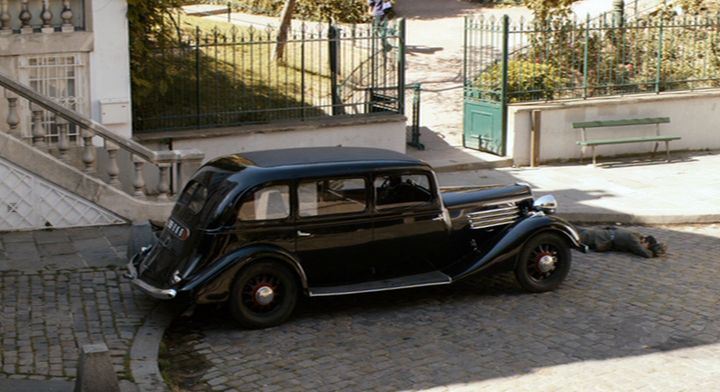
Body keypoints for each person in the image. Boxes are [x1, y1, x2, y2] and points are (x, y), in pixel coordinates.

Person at [578, 226, 667, 258]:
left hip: (595, 233)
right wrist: (654, 253)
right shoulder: (633, 239)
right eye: (646, 246)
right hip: (595, 237)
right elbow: (643, 252)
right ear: (645, 242)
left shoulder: (634, 234)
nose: (644, 247)